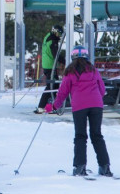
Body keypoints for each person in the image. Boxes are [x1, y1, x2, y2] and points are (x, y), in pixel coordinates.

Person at [46, 45, 113, 178]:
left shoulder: (70, 72)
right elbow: (102, 89)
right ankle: (105, 167)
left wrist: (54, 106)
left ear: (73, 57)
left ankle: (80, 167)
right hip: (96, 105)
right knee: (97, 135)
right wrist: (96, 98)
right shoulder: (93, 70)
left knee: (80, 136)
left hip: (79, 106)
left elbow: (63, 92)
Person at [35, 24, 65, 114]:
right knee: (52, 86)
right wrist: (63, 61)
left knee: (53, 86)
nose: (59, 36)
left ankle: (48, 107)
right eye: (59, 34)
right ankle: (44, 107)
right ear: (55, 32)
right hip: (50, 66)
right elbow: (55, 54)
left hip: (47, 64)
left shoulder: (48, 37)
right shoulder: (53, 41)